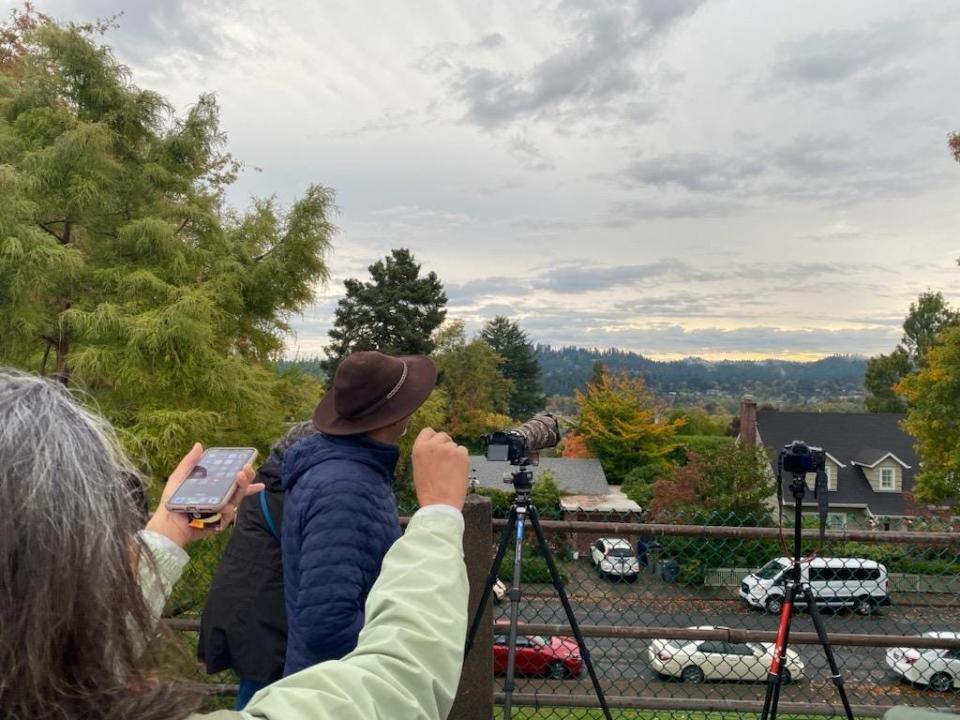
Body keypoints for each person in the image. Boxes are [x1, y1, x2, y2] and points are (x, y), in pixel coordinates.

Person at [0, 369, 470, 720]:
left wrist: (169, 530)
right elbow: (398, 681)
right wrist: (438, 514)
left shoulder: (29, 686)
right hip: (295, 661)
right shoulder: (345, 485)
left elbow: (68, 639)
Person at [281, 350, 438, 675]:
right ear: (396, 416)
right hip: (342, 693)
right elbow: (327, 627)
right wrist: (405, 646)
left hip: (330, 686)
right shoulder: (346, 486)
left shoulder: (339, 469)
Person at [199, 422, 318, 709]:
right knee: (263, 701)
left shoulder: (265, 484)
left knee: (254, 696)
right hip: (265, 625)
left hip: (242, 613)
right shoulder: (287, 494)